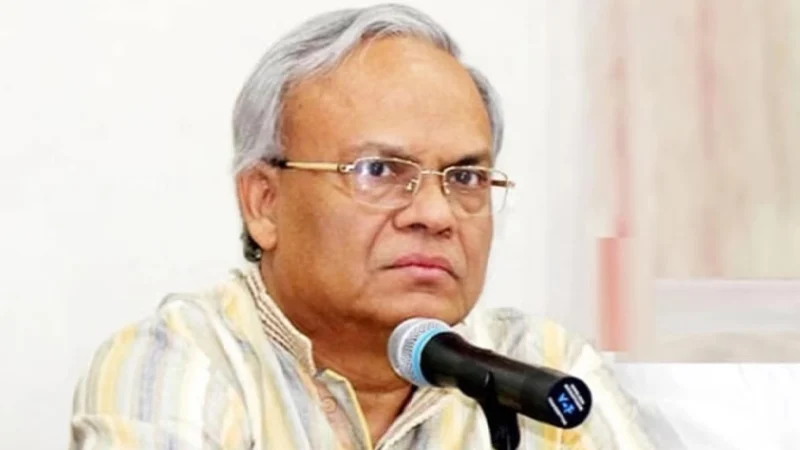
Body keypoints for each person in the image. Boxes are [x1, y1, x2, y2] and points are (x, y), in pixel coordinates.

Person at [70, 4, 655, 449]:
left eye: (465, 177)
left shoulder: (541, 371)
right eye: (379, 170)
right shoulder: (185, 362)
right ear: (264, 203)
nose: (436, 214)